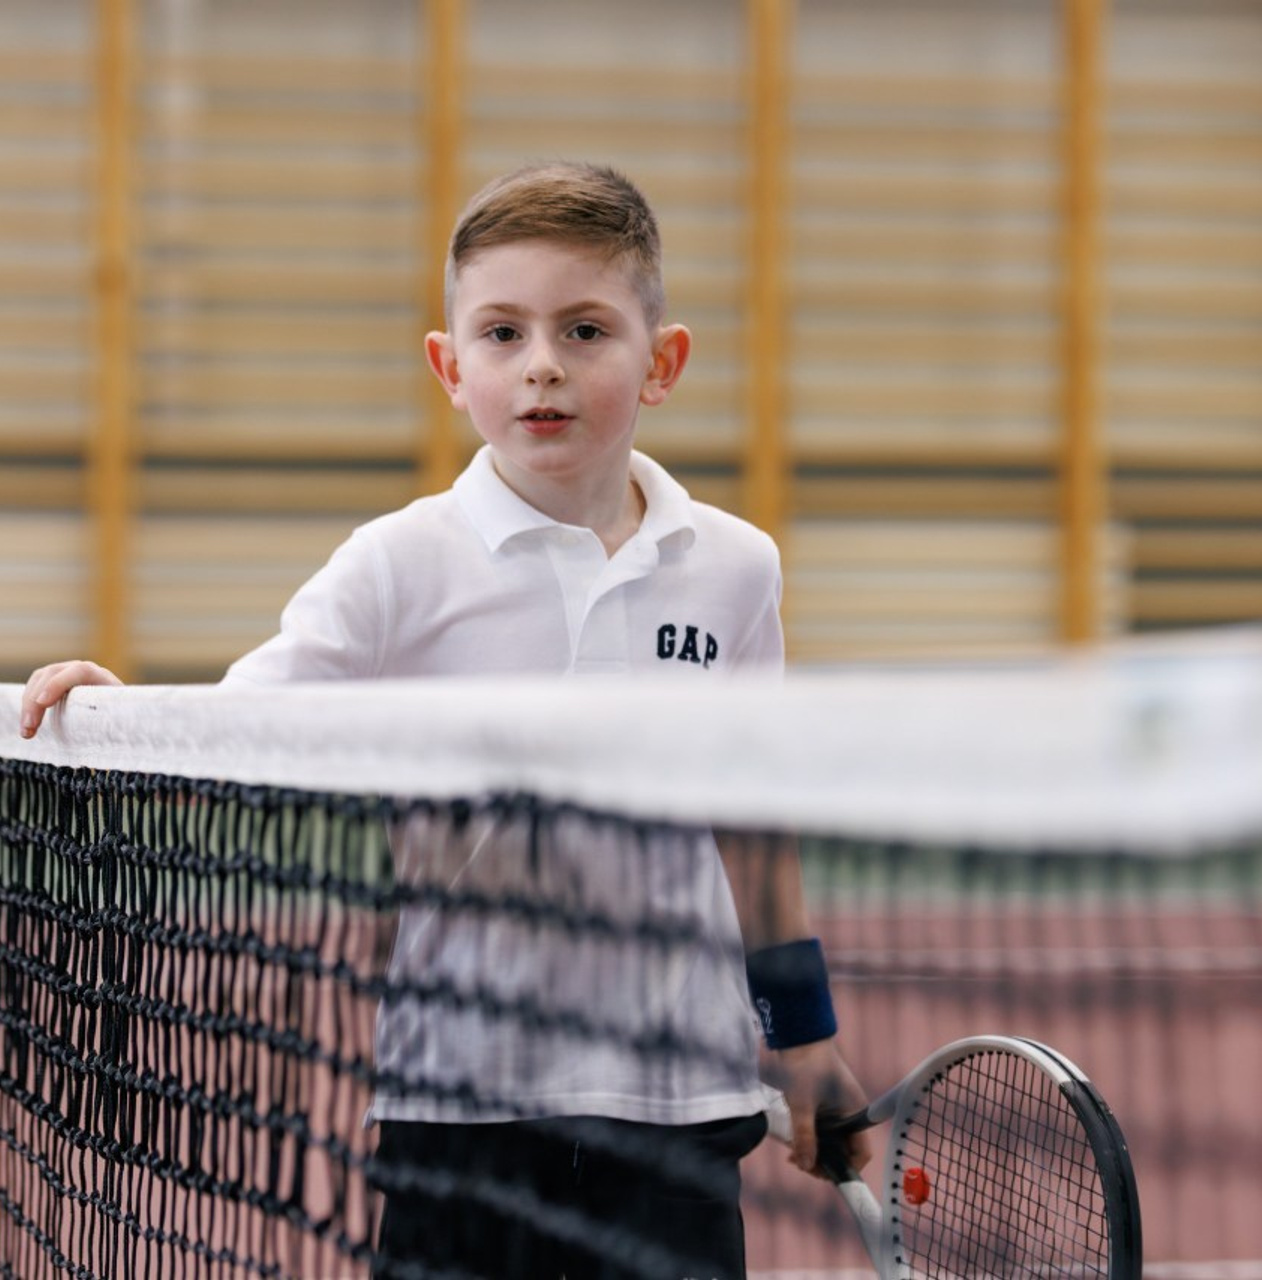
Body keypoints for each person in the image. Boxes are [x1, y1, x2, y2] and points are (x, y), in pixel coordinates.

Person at [20, 161, 869, 1279]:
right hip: (460, 1106)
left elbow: (752, 827)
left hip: (679, 1103)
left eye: (584, 330)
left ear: (661, 362)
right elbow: (239, 732)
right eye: (503, 334)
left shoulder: (735, 568)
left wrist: (804, 1038)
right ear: (450, 367)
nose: (542, 365)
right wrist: (120, 718)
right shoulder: (396, 565)